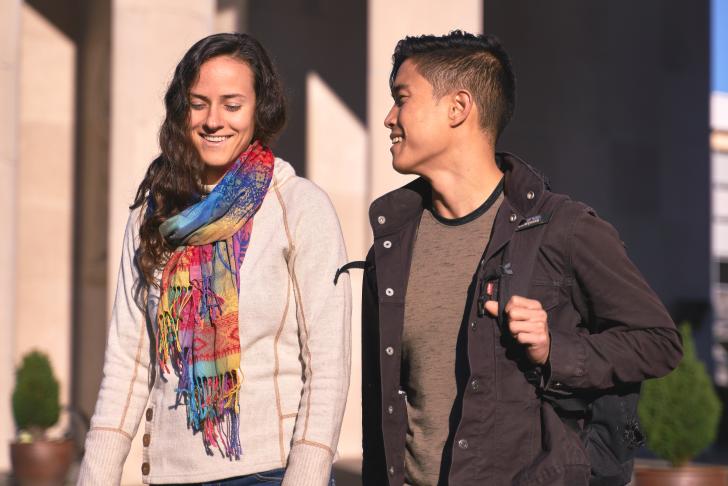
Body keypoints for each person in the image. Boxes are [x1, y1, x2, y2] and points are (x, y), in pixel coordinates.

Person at [361, 31, 683, 486]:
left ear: (458, 108)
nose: (389, 117)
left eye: (402, 98)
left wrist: (556, 348)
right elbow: (384, 405)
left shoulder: (564, 228)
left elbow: (658, 342)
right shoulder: (391, 244)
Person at [78, 33, 350, 486]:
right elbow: (127, 363)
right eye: (198, 103)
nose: (212, 120)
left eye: (231, 103)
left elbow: (327, 366)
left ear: (259, 109)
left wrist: (306, 476)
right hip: (166, 474)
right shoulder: (154, 214)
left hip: (267, 474)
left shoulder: (300, 207)